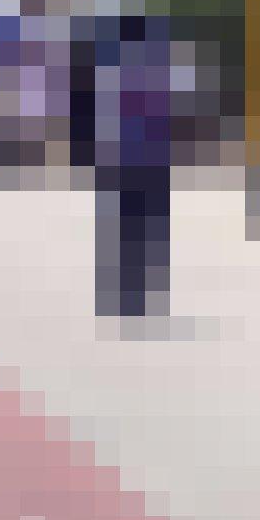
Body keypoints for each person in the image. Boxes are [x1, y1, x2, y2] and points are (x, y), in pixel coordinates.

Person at [93, 16, 176, 324]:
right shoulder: (161, 73)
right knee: (148, 230)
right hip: (151, 162)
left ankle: (128, 296)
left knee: (126, 230)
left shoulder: (109, 73)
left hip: (122, 162)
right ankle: (146, 296)